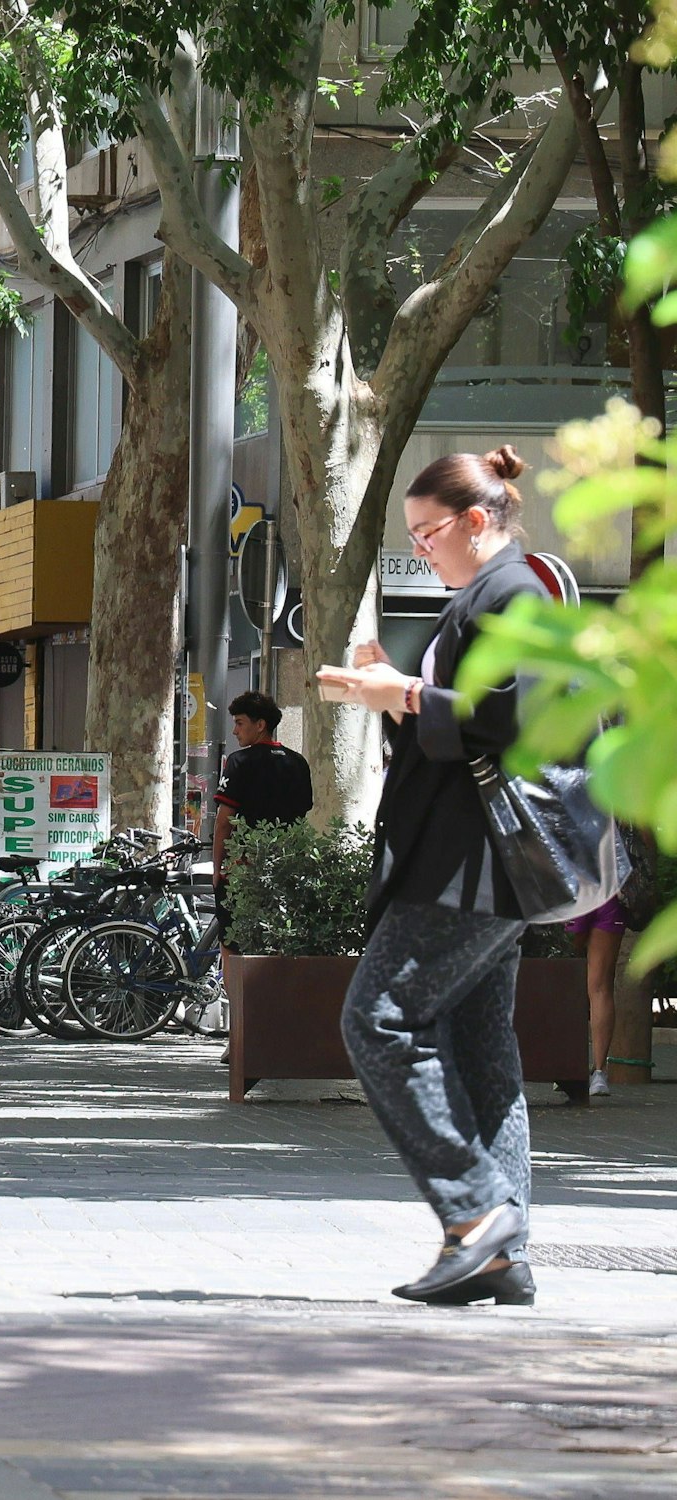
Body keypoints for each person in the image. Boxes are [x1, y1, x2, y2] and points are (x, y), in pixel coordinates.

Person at [318, 447, 548, 1308]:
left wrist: (408, 696)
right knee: (482, 1052)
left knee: (377, 1019)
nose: (421, 550)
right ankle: (499, 1246)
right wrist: (392, 693)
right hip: (478, 864)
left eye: (428, 534)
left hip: (471, 866)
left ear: (477, 521)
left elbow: (511, 719)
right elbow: (460, 739)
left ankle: (478, 1213)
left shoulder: (513, 593)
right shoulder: (483, 599)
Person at [211, 690, 313, 943]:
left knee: (233, 944)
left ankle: (233, 985)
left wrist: (218, 870)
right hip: (286, 870)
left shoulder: (239, 762)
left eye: (239, 723)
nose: (235, 731)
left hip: (243, 869)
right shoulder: (298, 763)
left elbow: (224, 822)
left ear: (260, 725)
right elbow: (303, 817)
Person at [567, 897, 625, 1099]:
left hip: (575, 896)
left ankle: (566, 1069)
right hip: (608, 897)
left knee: (562, 977)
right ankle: (599, 1074)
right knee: (601, 988)